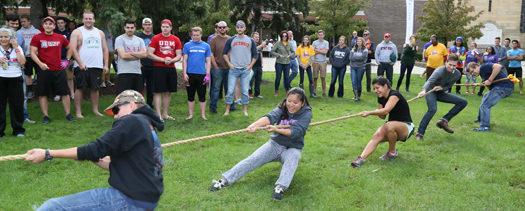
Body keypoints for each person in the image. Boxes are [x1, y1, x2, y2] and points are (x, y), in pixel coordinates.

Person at [24, 90, 165, 211]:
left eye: (117, 110)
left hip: (130, 199)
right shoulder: (147, 125)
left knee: (52, 207)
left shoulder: (132, 121)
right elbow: (118, 165)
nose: (115, 116)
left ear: (131, 105)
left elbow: (97, 149)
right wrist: (87, 155)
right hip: (146, 199)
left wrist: (48, 153)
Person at [208, 87, 312, 201]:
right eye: (289, 100)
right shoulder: (283, 107)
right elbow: (271, 117)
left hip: (293, 147)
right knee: (253, 159)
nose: (291, 105)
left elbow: (295, 132)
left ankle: (280, 187)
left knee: (294, 157)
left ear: (302, 103)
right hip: (275, 144)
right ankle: (224, 180)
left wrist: (276, 130)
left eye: (295, 102)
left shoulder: (306, 113)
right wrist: (255, 125)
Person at [351, 76, 414, 167]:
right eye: (374, 89)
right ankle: (361, 159)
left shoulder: (395, 95)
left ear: (385, 86)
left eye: (377, 88)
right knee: (376, 136)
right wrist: (377, 111)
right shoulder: (381, 98)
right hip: (391, 126)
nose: (376, 91)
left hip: (406, 126)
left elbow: (385, 111)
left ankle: (392, 153)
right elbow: (383, 116)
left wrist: (369, 113)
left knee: (389, 126)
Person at [30, 17, 76, 124]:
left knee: (64, 92)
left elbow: (70, 47)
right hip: (44, 70)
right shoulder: (37, 37)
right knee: (43, 93)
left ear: (54, 26)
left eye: (50, 24)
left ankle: (68, 114)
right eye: (46, 23)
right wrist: (40, 64)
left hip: (58, 69)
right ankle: (46, 116)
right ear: (43, 26)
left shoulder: (59, 37)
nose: (48, 26)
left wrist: (67, 60)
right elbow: (32, 53)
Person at [414, 54, 467, 141]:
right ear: (446, 62)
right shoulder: (440, 70)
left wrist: (442, 88)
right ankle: (419, 134)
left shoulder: (457, 74)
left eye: (454, 65)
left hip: (440, 92)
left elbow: (449, 86)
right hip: (430, 90)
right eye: (450, 64)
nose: (451, 67)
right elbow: (430, 81)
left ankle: (443, 121)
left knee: (463, 102)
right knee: (432, 109)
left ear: (457, 65)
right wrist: (424, 90)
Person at [147, 19, 182, 120]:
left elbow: (179, 55)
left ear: (171, 28)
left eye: (167, 27)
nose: (165, 29)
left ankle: (165, 114)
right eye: (163, 27)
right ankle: (158, 115)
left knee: (168, 91)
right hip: (159, 68)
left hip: (171, 68)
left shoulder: (176, 39)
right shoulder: (155, 38)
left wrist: (171, 60)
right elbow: (149, 54)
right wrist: (163, 60)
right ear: (161, 27)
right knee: (158, 91)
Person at [221, 20, 257, 116]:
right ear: (236, 28)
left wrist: (250, 66)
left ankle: (245, 111)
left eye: (241, 27)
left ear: (245, 28)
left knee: (245, 91)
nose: (239, 29)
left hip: (245, 70)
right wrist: (229, 64)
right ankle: (227, 111)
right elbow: (224, 53)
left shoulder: (250, 40)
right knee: (230, 91)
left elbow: (255, 55)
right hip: (234, 70)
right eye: (238, 27)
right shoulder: (231, 40)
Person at [467, 62, 514, 132]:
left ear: (477, 66)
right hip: (502, 87)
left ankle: (485, 127)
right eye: (471, 73)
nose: (473, 74)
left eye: (473, 71)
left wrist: (489, 80)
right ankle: (480, 119)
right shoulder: (483, 74)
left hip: (504, 87)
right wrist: (485, 84)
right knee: (485, 97)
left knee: (485, 105)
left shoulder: (483, 67)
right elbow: (490, 85)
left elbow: (498, 66)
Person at [0, 27, 26, 138]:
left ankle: (18, 130)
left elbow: (23, 62)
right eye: (1, 37)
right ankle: (0, 131)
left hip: (15, 78)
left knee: (17, 104)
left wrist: (16, 48)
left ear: (11, 38)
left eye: (6, 36)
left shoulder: (17, 47)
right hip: (1, 78)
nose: (3, 39)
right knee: (0, 106)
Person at [182, 27, 211, 120]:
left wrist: (208, 74)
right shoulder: (187, 45)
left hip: (201, 74)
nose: (195, 37)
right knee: (190, 95)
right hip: (190, 73)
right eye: (194, 35)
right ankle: (190, 114)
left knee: (202, 95)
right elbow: (184, 60)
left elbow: (208, 61)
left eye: (197, 35)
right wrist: (184, 73)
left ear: (201, 35)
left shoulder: (206, 46)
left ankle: (203, 115)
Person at [114, 18, 146, 95]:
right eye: (128, 27)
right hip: (124, 72)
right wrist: (138, 55)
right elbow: (123, 55)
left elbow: (144, 54)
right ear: (124, 27)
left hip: (137, 72)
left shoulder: (139, 40)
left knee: (137, 98)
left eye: (132, 28)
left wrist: (130, 52)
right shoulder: (120, 39)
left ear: (135, 28)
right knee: (123, 98)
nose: (130, 29)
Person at [209, 21, 236, 114]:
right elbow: (211, 54)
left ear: (226, 28)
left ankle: (231, 106)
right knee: (216, 88)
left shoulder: (231, 39)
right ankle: (213, 107)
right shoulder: (213, 39)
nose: (222, 29)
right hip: (218, 68)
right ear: (217, 28)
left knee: (229, 88)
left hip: (229, 68)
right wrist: (215, 66)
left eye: (223, 27)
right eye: (220, 27)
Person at [18, 14, 41, 99]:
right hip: (26, 56)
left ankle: (39, 90)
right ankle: (30, 91)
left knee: (39, 72)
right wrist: (22, 48)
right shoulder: (19, 32)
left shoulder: (37, 32)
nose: (23, 23)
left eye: (24, 21)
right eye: (21, 22)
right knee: (28, 74)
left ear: (29, 21)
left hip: (37, 55)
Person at [53, 17, 74, 101]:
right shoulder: (54, 33)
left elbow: (73, 47)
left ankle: (72, 93)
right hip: (56, 59)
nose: (60, 24)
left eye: (61, 23)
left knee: (69, 77)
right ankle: (58, 94)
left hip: (68, 58)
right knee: (58, 77)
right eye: (58, 23)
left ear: (65, 23)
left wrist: (73, 59)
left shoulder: (70, 33)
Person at [136, 17, 155, 108]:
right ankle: (140, 105)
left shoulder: (154, 37)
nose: (147, 26)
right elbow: (135, 50)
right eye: (145, 24)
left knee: (151, 88)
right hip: (142, 65)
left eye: (149, 24)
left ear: (151, 25)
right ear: (143, 25)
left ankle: (150, 105)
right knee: (140, 87)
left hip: (152, 65)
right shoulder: (138, 37)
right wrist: (139, 62)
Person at [271, 31, 294, 96]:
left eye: (285, 36)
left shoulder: (289, 43)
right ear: (281, 37)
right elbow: (272, 51)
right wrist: (278, 55)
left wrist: (290, 55)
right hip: (279, 62)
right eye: (283, 36)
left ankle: (287, 91)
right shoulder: (278, 43)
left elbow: (293, 52)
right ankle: (276, 91)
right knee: (278, 77)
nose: (284, 37)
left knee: (286, 77)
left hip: (287, 62)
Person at [312, 30, 329, 97]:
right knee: (315, 77)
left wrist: (317, 50)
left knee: (323, 77)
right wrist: (322, 51)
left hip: (323, 62)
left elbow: (325, 52)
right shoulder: (314, 43)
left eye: (322, 35)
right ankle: (314, 91)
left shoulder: (326, 42)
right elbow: (313, 52)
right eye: (319, 35)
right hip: (315, 62)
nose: (320, 36)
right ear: (318, 35)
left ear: (324, 35)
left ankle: (323, 92)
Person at [249, 32, 266, 99]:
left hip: (259, 66)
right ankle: (249, 93)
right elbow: (254, 50)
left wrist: (262, 63)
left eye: (258, 37)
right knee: (251, 81)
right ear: (252, 37)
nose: (257, 38)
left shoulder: (258, 45)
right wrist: (262, 45)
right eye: (256, 37)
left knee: (258, 80)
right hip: (253, 65)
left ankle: (257, 93)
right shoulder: (251, 45)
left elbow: (260, 54)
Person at [101, 21, 116, 88]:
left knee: (109, 66)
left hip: (111, 50)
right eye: (110, 22)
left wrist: (113, 48)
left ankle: (108, 80)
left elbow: (113, 40)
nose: (111, 23)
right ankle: (102, 81)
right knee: (104, 65)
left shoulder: (113, 31)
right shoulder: (104, 30)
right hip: (105, 51)